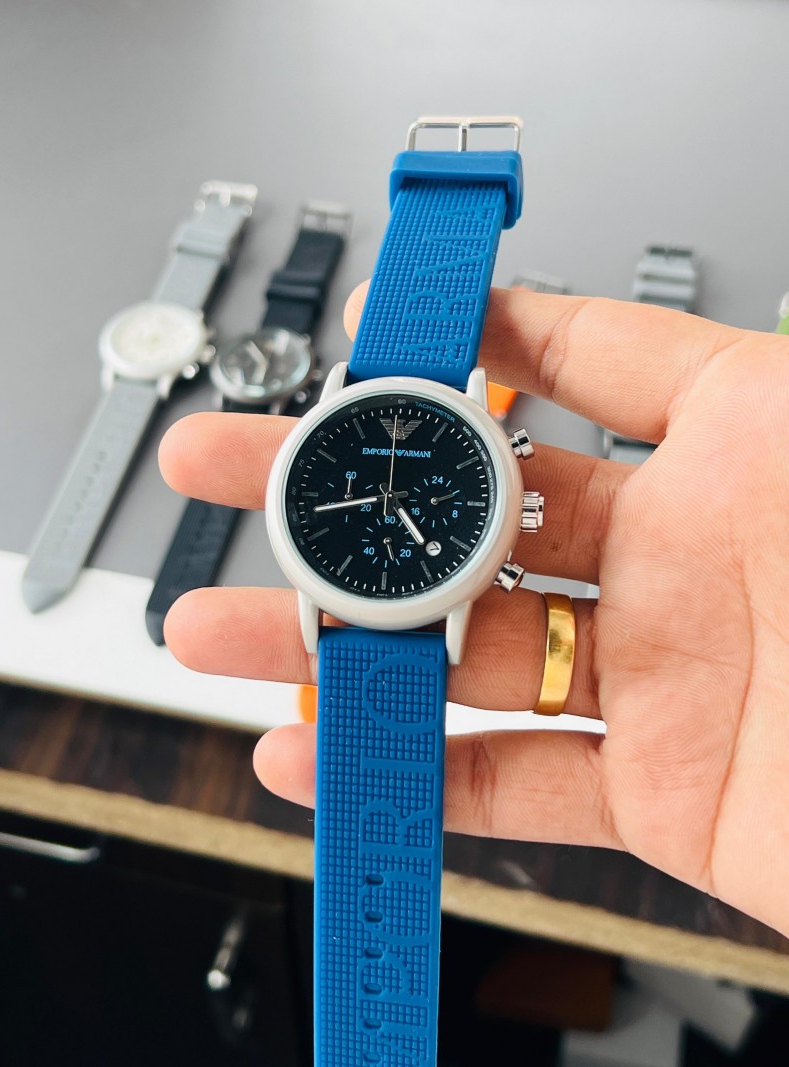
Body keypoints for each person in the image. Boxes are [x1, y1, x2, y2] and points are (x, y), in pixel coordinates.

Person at [158, 280, 789, 939]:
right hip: (360, 596)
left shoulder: (445, 429)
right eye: (378, 498)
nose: (390, 502)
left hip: (418, 598)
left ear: (521, 510)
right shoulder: (381, 409)